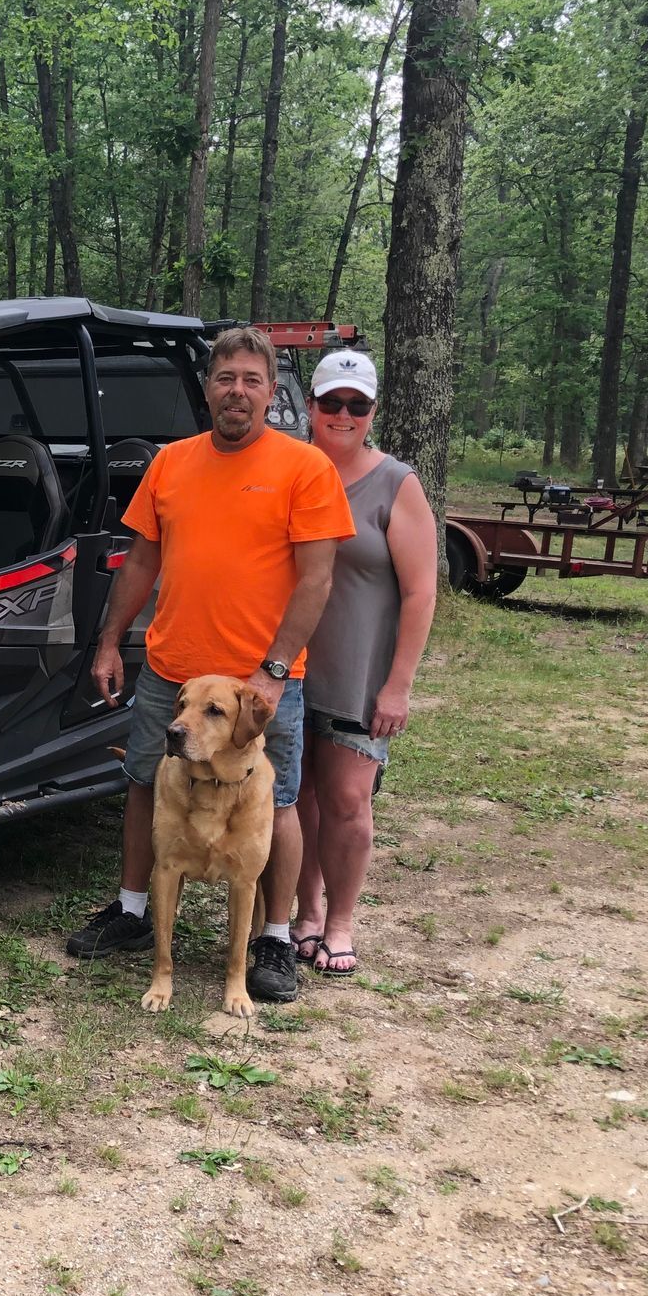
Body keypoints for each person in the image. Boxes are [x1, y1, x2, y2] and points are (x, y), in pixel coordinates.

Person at [65, 326, 356, 1006]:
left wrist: (273, 671)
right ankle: (133, 910)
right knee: (145, 782)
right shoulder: (171, 463)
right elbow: (142, 559)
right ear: (207, 389)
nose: (237, 392)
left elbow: (317, 579)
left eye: (252, 380)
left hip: (261, 683)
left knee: (277, 801)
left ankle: (274, 938)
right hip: (174, 675)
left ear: (272, 392)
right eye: (226, 378)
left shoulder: (304, 468)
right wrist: (109, 642)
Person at [292, 351, 437, 976]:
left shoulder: (396, 483)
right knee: (296, 797)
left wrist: (398, 685)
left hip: (358, 674)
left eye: (357, 404)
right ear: (310, 406)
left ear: (374, 412)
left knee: (348, 799)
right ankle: (306, 912)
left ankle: (341, 922)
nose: (343, 414)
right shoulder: (290, 469)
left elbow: (421, 591)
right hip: (287, 668)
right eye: (332, 402)